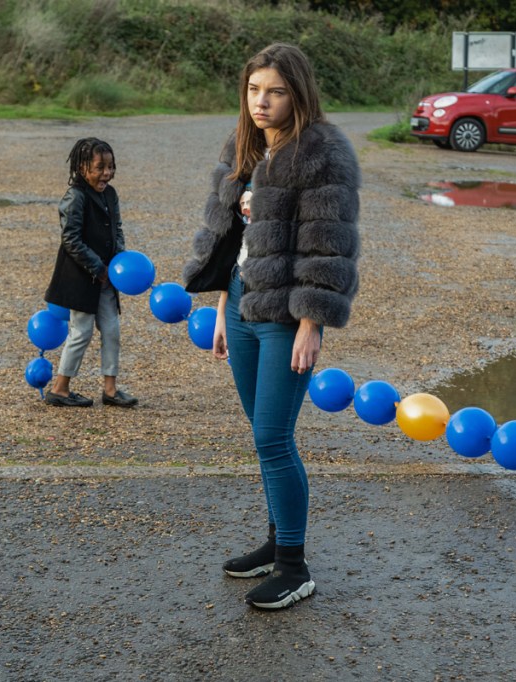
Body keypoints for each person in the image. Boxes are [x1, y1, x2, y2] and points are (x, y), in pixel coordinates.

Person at [183, 43, 361, 609]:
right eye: (254, 90)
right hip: (241, 303)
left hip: (287, 312)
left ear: (298, 94)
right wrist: (220, 306)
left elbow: (327, 246)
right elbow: (228, 238)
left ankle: (294, 567)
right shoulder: (244, 145)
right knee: (263, 437)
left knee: (273, 437)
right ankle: (275, 541)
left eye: (276, 92)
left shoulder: (323, 153)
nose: (261, 102)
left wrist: (311, 323)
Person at [44, 137, 138, 408]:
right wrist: (98, 268)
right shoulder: (75, 197)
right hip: (82, 278)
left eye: (110, 166)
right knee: (81, 332)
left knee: (112, 330)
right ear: (82, 168)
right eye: (100, 167)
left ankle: (110, 389)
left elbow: (117, 229)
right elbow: (71, 239)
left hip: (108, 276)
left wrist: (119, 260)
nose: (107, 173)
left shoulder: (110, 194)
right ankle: (60, 389)